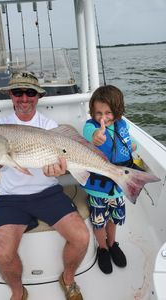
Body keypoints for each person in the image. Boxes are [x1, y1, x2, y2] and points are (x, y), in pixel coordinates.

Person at [0, 71, 89, 300]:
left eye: (30, 92)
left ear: (38, 96)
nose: (24, 98)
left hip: (47, 193)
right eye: (17, 92)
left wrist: (62, 170)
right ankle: (18, 292)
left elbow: (61, 161)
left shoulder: (49, 125)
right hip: (11, 197)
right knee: (1, 252)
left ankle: (68, 279)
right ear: (11, 95)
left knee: (81, 237)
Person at [83, 85, 137, 274]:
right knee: (99, 221)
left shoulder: (122, 125)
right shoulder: (91, 127)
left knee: (114, 218)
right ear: (92, 112)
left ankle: (112, 244)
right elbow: (93, 136)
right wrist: (97, 136)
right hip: (98, 188)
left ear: (118, 111)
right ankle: (102, 248)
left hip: (119, 187)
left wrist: (132, 146)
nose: (103, 117)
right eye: (98, 113)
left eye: (108, 112)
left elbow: (126, 142)